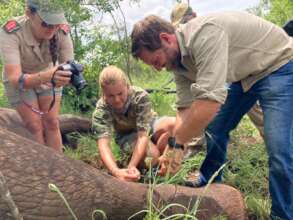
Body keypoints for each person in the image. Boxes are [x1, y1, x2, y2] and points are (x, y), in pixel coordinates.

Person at [131, 11, 293, 219]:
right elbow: (185, 108)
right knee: (215, 128)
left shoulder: (205, 35)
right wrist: (175, 145)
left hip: (277, 65)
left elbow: (209, 103)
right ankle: (209, 178)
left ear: (166, 39)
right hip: (243, 74)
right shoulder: (176, 62)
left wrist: (177, 143)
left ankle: (282, 214)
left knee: (279, 148)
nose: (156, 68)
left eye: (155, 60)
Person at [171, 2, 265, 138]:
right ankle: (198, 141)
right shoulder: (184, 45)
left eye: (185, 21)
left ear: (194, 16)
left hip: (243, 68)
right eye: (179, 25)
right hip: (225, 77)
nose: (183, 26)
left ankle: (272, 137)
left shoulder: (206, 32)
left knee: (251, 104)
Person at [0, 0, 74, 153]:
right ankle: (42, 167)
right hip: (20, 79)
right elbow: (15, 78)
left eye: (56, 24)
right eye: (46, 23)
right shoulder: (11, 32)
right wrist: (47, 76)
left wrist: (68, 76)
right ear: (29, 14)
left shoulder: (62, 31)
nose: (52, 29)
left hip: (49, 74)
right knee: (34, 126)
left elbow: (68, 64)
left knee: (52, 123)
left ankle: (59, 166)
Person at [92, 66, 180, 182]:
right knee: (151, 156)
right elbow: (104, 145)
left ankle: (162, 156)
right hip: (127, 135)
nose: (117, 100)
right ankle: (158, 160)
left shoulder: (140, 96)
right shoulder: (101, 110)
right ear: (103, 93)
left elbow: (142, 135)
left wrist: (131, 165)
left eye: (120, 93)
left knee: (175, 125)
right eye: (111, 96)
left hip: (149, 124)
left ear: (127, 87)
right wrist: (116, 171)